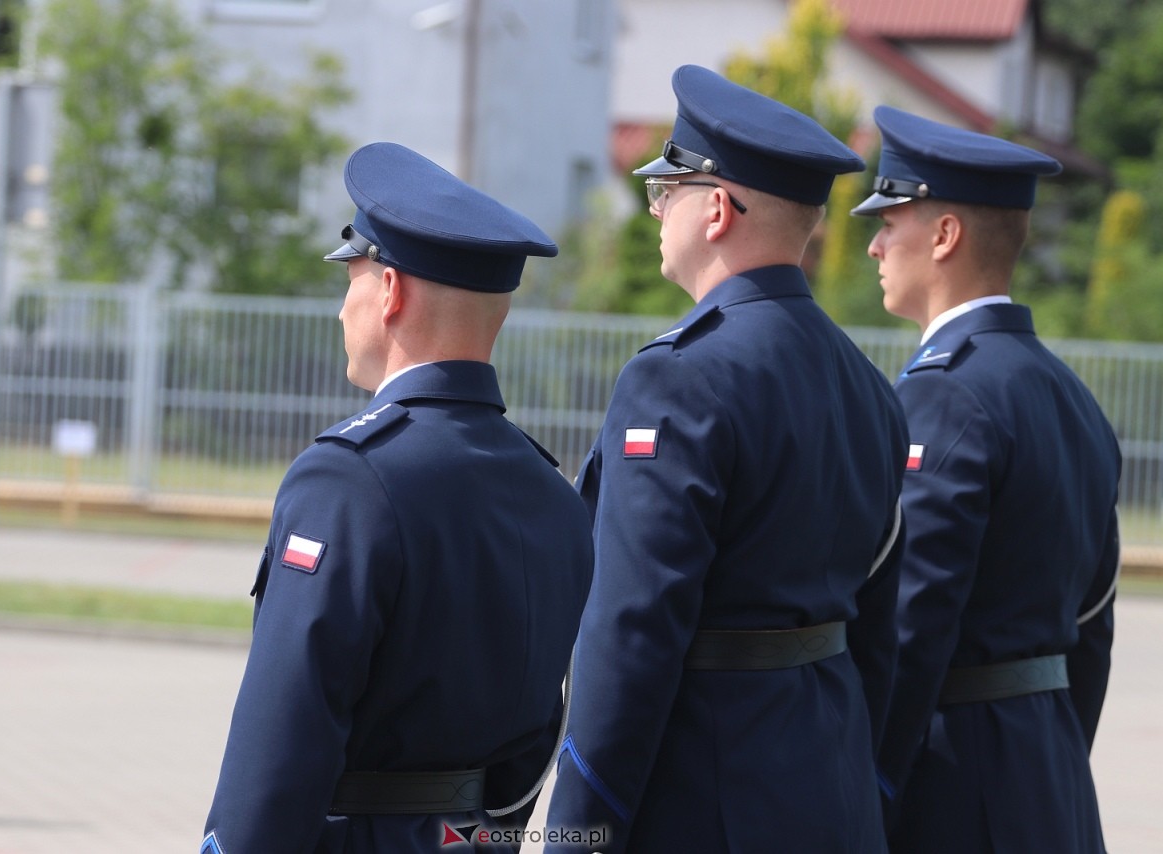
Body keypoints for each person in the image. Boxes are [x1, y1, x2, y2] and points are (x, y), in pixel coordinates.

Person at [544, 65, 910, 853]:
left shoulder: (677, 376)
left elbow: (631, 633)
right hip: (832, 786)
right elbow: (881, 628)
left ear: (715, 209)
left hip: (706, 799)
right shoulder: (867, 385)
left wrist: (580, 831)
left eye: (664, 190)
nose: (655, 211)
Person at [201, 141, 594, 854]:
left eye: (350, 276)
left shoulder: (347, 481)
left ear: (390, 291)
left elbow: (285, 732)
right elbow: (540, 734)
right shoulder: (553, 494)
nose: (342, 305)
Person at [852, 106, 1122, 853]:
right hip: (1048, 775)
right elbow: (1092, 625)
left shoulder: (944, 393)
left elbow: (911, 626)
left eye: (891, 221)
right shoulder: (1070, 396)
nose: (874, 244)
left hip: (953, 785)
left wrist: (870, 789)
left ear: (945, 236)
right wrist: (1045, 751)